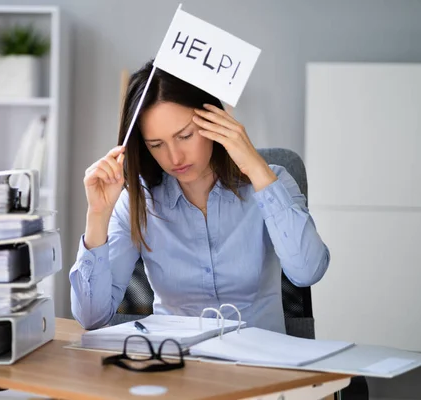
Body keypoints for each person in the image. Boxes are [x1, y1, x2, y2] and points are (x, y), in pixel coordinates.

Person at [69, 60, 330, 333]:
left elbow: (308, 272)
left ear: (215, 121)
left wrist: (255, 168)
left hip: (259, 364)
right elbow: (92, 317)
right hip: (176, 363)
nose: (174, 157)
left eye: (185, 136)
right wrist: (97, 215)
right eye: (156, 145)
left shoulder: (272, 182)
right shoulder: (138, 202)